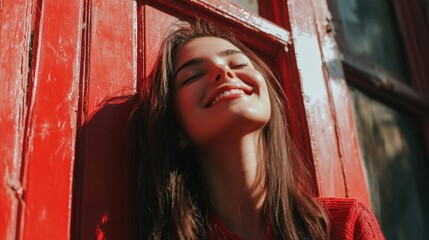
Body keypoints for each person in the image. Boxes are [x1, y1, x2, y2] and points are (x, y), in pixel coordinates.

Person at [135, 20, 384, 240]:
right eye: (193, 76)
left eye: (239, 63)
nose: (224, 71)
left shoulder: (345, 227)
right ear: (177, 130)